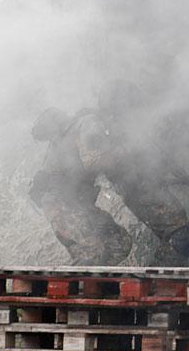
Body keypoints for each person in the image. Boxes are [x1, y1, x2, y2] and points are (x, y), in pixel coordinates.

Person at [97, 80, 189, 266]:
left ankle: (164, 279)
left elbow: (154, 156)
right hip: (140, 189)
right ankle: (153, 278)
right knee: (183, 236)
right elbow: (113, 162)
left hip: (146, 187)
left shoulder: (128, 126)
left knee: (180, 239)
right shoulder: (116, 129)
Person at [29, 107, 132, 265]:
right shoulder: (84, 125)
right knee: (90, 253)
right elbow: (93, 161)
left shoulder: (62, 139)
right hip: (62, 205)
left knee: (119, 243)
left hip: (77, 204)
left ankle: (99, 285)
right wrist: (125, 151)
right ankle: (80, 287)